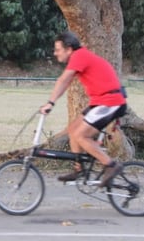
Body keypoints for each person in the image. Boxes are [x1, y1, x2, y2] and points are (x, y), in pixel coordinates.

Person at [39, 30, 127, 185]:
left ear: (69, 49)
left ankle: (111, 165)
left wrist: (50, 103)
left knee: (81, 135)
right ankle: (79, 170)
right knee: (73, 129)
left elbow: (64, 80)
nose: (55, 53)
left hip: (110, 101)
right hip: (100, 102)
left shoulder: (79, 56)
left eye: (58, 49)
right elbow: (66, 81)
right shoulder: (80, 57)